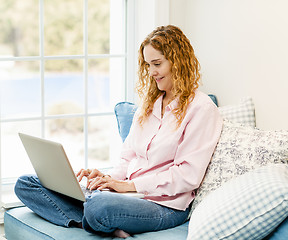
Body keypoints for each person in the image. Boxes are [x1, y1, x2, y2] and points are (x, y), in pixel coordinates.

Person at [14, 25, 223, 238]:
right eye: (148, 65)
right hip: (126, 195)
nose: (152, 73)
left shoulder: (201, 108)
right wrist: (107, 180)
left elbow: (187, 176)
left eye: (157, 64)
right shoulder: (148, 106)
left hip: (164, 205)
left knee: (99, 206)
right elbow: (128, 156)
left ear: (178, 61)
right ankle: (97, 223)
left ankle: (97, 216)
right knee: (26, 184)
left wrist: (128, 186)